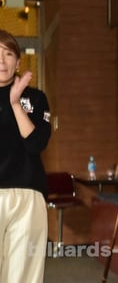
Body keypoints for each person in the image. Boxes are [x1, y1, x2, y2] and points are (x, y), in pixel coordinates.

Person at [0, 29, 51, 283]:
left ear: (18, 63)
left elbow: (35, 145)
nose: (1, 60)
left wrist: (15, 103)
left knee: (22, 276)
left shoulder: (36, 98)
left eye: (8, 54)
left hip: (27, 196)